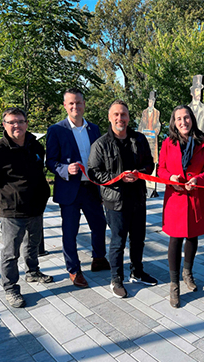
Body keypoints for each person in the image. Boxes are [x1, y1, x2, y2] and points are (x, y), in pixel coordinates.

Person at [0, 107, 53, 308]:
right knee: (11, 252)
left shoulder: (35, 146)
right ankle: (11, 288)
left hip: (36, 207)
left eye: (20, 121)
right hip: (12, 211)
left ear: (27, 123)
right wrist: (4, 199)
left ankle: (33, 272)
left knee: (33, 243)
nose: (16, 125)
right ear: (4, 125)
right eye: (11, 122)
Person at [87, 100, 158, 298]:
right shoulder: (101, 144)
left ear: (129, 117)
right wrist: (118, 178)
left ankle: (137, 271)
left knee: (138, 239)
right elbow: (93, 173)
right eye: (116, 115)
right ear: (110, 118)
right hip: (115, 201)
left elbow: (149, 165)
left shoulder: (139, 139)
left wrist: (139, 173)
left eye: (124, 115)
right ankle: (116, 278)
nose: (120, 118)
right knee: (118, 241)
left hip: (138, 198)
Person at [45, 88, 110, 289]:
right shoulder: (56, 130)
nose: (75, 107)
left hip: (91, 188)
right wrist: (65, 169)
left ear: (84, 104)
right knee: (70, 231)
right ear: (65, 105)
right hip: (69, 190)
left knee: (99, 225)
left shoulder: (94, 129)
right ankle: (74, 269)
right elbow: (51, 162)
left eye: (79, 103)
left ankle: (98, 258)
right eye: (71, 103)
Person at [157, 105, 204, 308]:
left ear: (192, 119)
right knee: (175, 239)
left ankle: (187, 272)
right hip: (175, 198)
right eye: (179, 118)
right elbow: (161, 170)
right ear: (174, 122)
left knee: (192, 236)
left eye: (187, 117)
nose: (183, 122)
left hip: (195, 196)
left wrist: (198, 179)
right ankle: (174, 284)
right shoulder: (167, 143)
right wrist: (170, 178)